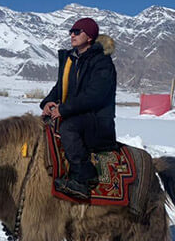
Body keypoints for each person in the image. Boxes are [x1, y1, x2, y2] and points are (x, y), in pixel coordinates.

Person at [40, 17, 117, 199]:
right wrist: (48, 103)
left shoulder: (102, 62)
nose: (72, 35)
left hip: (98, 120)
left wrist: (64, 109)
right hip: (76, 114)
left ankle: (83, 177)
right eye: (71, 31)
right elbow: (59, 88)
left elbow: (95, 95)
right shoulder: (71, 60)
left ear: (89, 37)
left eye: (77, 32)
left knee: (68, 128)